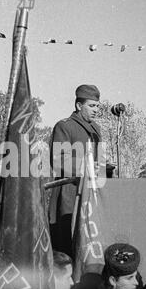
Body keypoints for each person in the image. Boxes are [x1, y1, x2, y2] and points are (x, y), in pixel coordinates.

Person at [49, 84, 102, 257]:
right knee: (67, 244)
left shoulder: (96, 130)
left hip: (92, 193)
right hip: (69, 192)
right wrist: (85, 166)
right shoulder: (65, 126)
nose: (96, 110)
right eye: (91, 106)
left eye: (97, 106)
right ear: (79, 106)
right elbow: (58, 160)